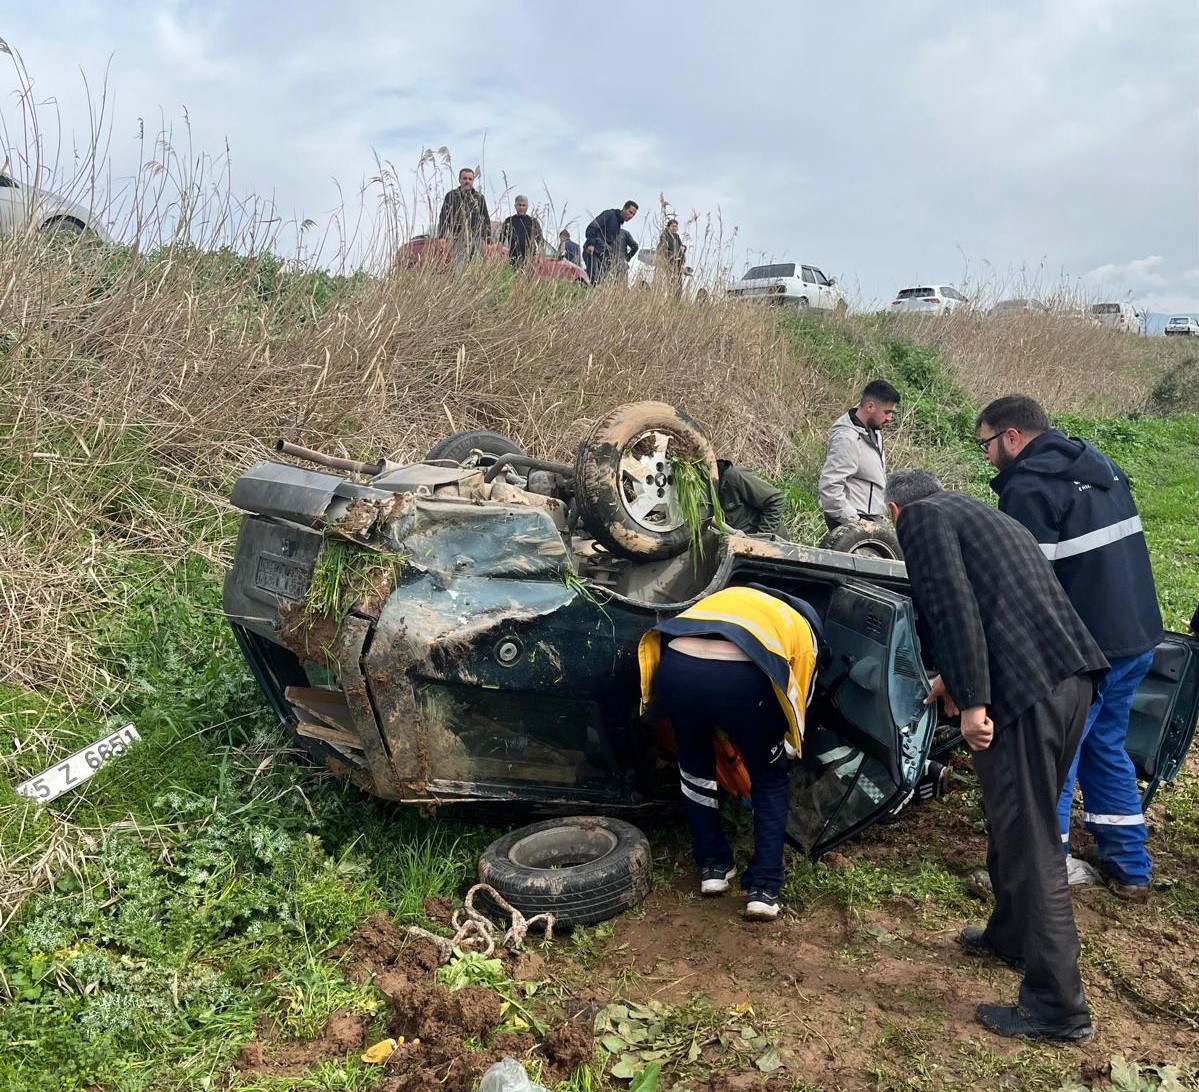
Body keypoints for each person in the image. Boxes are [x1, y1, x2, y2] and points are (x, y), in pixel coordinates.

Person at [884, 469, 1107, 1044]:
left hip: (1025, 696)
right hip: (1069, 680)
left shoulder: (924, 520)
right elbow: (994, 610)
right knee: (1014, 825)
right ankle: (1009, 938)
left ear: (893, 512)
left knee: (1030, 841)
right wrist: (951, 681)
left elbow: (953, 609)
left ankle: (1058, 1008)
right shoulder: (985, 516)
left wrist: (974, 702)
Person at [976, 394, 1163, 900]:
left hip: (1087, 649)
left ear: (1012, 437)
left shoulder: (1030, 489)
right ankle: (1129, 867)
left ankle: (1042, 871)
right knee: (1106, 743)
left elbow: (1023, 587)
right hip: (1136, 636)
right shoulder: (1101, 466)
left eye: (987, 445)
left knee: (1054, 753)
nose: (988, 457)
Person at [639, 585, 821, 921]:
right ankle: (764, 889)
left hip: (677, 666)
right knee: (769, 780)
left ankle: (713, 867)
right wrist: (788, 749)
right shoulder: (802, 630)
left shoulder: (733, 598)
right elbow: (799, 700)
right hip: (741, 678)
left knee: (694, 767)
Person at [818, 380, 901, 531]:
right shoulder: (847, 438)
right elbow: (830, 488)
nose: (889, 418)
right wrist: (856, 522)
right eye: (887, 412)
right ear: (870, 406)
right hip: (856, 523)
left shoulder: (874, 432)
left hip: (871, 518)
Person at [437, 167, 491, 267]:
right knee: (459, 267)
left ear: (473, 181)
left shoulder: (479, 197)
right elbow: (443, 217)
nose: (467, 181)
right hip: (458, 237)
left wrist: (487, 241)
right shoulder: (451, 196)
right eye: (465, 178)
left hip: (476, 238)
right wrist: (441, 236)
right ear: (460, 180)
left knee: (476, 267)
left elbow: (486, 219)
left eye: (470, 179)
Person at [717, 460, 784, 535]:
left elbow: (775, 499)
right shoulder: (707, 492)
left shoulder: (732, 476)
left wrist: (762, 537)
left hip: (772, 541)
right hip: (739, 542)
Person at [584, 200, 638, 285]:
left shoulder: (618, 224)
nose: (631, 216)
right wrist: (591, 244)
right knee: (594, 280)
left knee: (600, 281)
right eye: (630, 212)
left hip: (602, 255)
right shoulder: (609, 214)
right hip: (593, 251)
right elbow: (591, 227)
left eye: (633, 214)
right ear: (624, 208)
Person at [498, 195, 545, 269]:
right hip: (513, 258)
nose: (521, 207)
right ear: (515, 206)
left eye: (524, 205)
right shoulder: (509, 221)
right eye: (519, 205)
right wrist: (497, 256)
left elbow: (540, 242)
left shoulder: (533, 221)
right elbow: (501, 240)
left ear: (527, 206)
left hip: (529, 259)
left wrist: (541, 258)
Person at [657, 218, 686, 297]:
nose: (675, 228)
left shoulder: (676, 237)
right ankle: (669, 297)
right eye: (673, 226)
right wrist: (672, 255)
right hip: (668, 261)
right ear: (668, 227)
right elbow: (663, 249)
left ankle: (677, 299)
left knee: (678, 281)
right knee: (670, 280)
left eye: (676, 227)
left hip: (677, 262)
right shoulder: (664, 235)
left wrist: (683, 248)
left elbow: (681, 246)